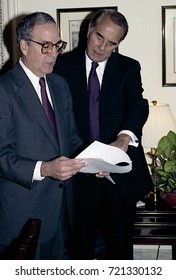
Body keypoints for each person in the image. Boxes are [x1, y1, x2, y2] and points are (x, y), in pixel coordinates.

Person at [53, 8, 153, 260]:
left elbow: (137, 104)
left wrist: (124, 138)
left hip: (118, 178)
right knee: (79, 249)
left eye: (111, 43)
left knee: (120, 250)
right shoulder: (62, 66)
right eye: (99, 37)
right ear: (89, 29)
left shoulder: (128, 67)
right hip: (79, 175)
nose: (102, 47)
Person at [0, 12, 89, 260]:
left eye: (57, 46)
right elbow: (1, 156)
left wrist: (94, 161)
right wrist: (46, 169)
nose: (53, 54)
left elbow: (71, 139)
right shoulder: (4, 89)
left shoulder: (60, 85)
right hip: (21, 219)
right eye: (45, 46)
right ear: (24, 46)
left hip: (60, 212)